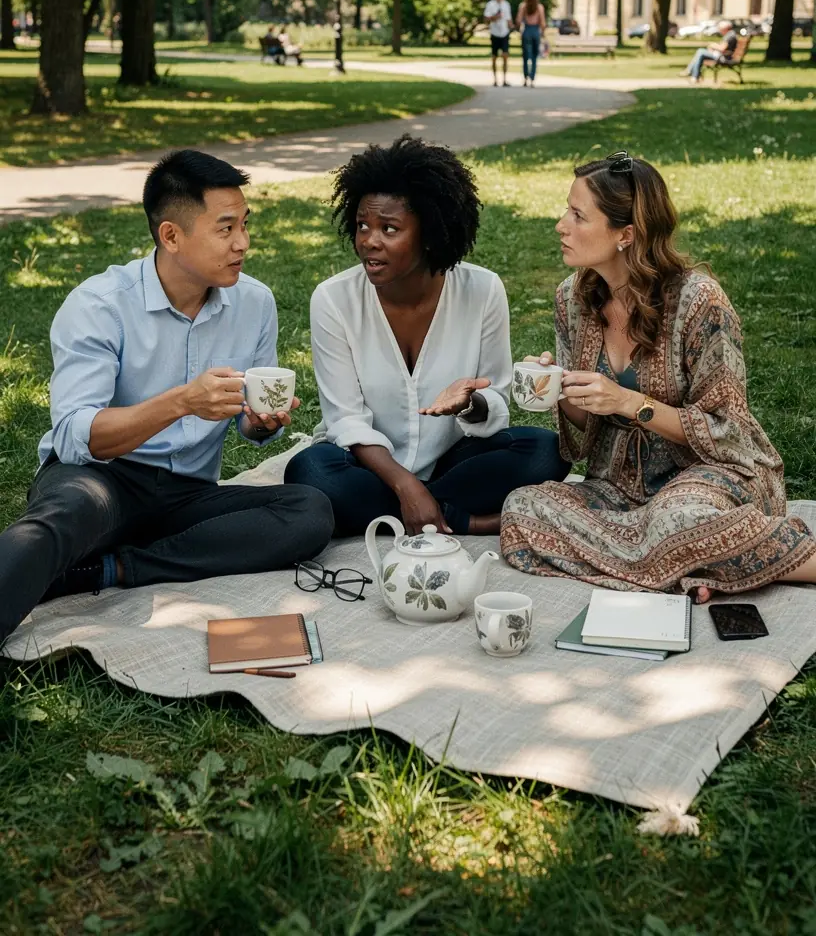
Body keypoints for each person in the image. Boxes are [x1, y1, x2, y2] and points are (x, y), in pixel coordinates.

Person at [0, 149, 334, 647]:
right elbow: (75, 438)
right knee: (60, 518)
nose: (243, 243)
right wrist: (180, 403)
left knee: (309, 511)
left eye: (246, 224)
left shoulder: (255, 302)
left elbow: (250, 420)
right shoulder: (99, 305)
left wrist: (261, 424)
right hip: (100, 479)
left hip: (188, 492)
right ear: (171, 236)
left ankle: (109, 569)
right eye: (225, 229)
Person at [500, 151, 815, 600]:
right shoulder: (572, 299)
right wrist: (559, 390)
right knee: (523, 511)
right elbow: (585, 428)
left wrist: (631, 403)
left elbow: (728, 430)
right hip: (620, 490)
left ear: (625, 234)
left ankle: (723, 554)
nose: (560, 225)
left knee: (678, 521)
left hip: (710, 476)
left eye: (576, 215)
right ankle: (688, 565)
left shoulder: (699, 303)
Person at [284, 134, 569, 536]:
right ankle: (456, 518)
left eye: (390, 228)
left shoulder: (483, 290)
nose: (369, 240)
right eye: (363, 225)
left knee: (543, 452)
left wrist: (470, 404)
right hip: (367, 467)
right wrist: (406, 485)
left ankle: (410, 514)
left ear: (431, 231)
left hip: (454, 458)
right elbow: (345, 419)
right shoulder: (333, 300)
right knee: (310, 471)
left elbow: (495, 397)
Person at [516, 0, 547, 88]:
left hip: (527, 30)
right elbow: (542, 23)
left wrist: (519, 29)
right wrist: (543, 33)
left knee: (525, 56)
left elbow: (518, 20)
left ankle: (525, 78)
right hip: (535, 31)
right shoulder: (539, 7)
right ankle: (532, 78)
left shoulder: (523, 6)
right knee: (534, 56)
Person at [484, 0, 513, 87]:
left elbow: (509, 19)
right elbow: (486, 19)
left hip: (504, 33)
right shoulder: (490, 5)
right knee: (494, 57)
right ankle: (495, 80)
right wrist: (495, 17)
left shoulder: (506, 4)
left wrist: (512, 27)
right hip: (495, 33)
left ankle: (504, 79)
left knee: (505, 55)